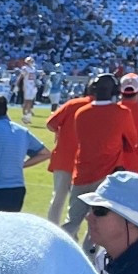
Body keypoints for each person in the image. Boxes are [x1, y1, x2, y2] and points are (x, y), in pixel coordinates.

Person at [67, 74, 138, 234]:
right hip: (107, 176)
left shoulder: (81, 112)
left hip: (81, 173)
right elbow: (132, 143)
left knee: (72, 221)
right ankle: (91, 256)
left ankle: (60, 253)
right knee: (100, 224)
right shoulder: (122, 112)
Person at [45, 84, 89, 225]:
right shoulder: (106, 108)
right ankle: (72, 233)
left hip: (64, 158)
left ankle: (53, 231)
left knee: (58, 199)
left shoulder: (73, 104)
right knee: (82, 203)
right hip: (87, 163)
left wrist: (60, 131)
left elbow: (51, 123)